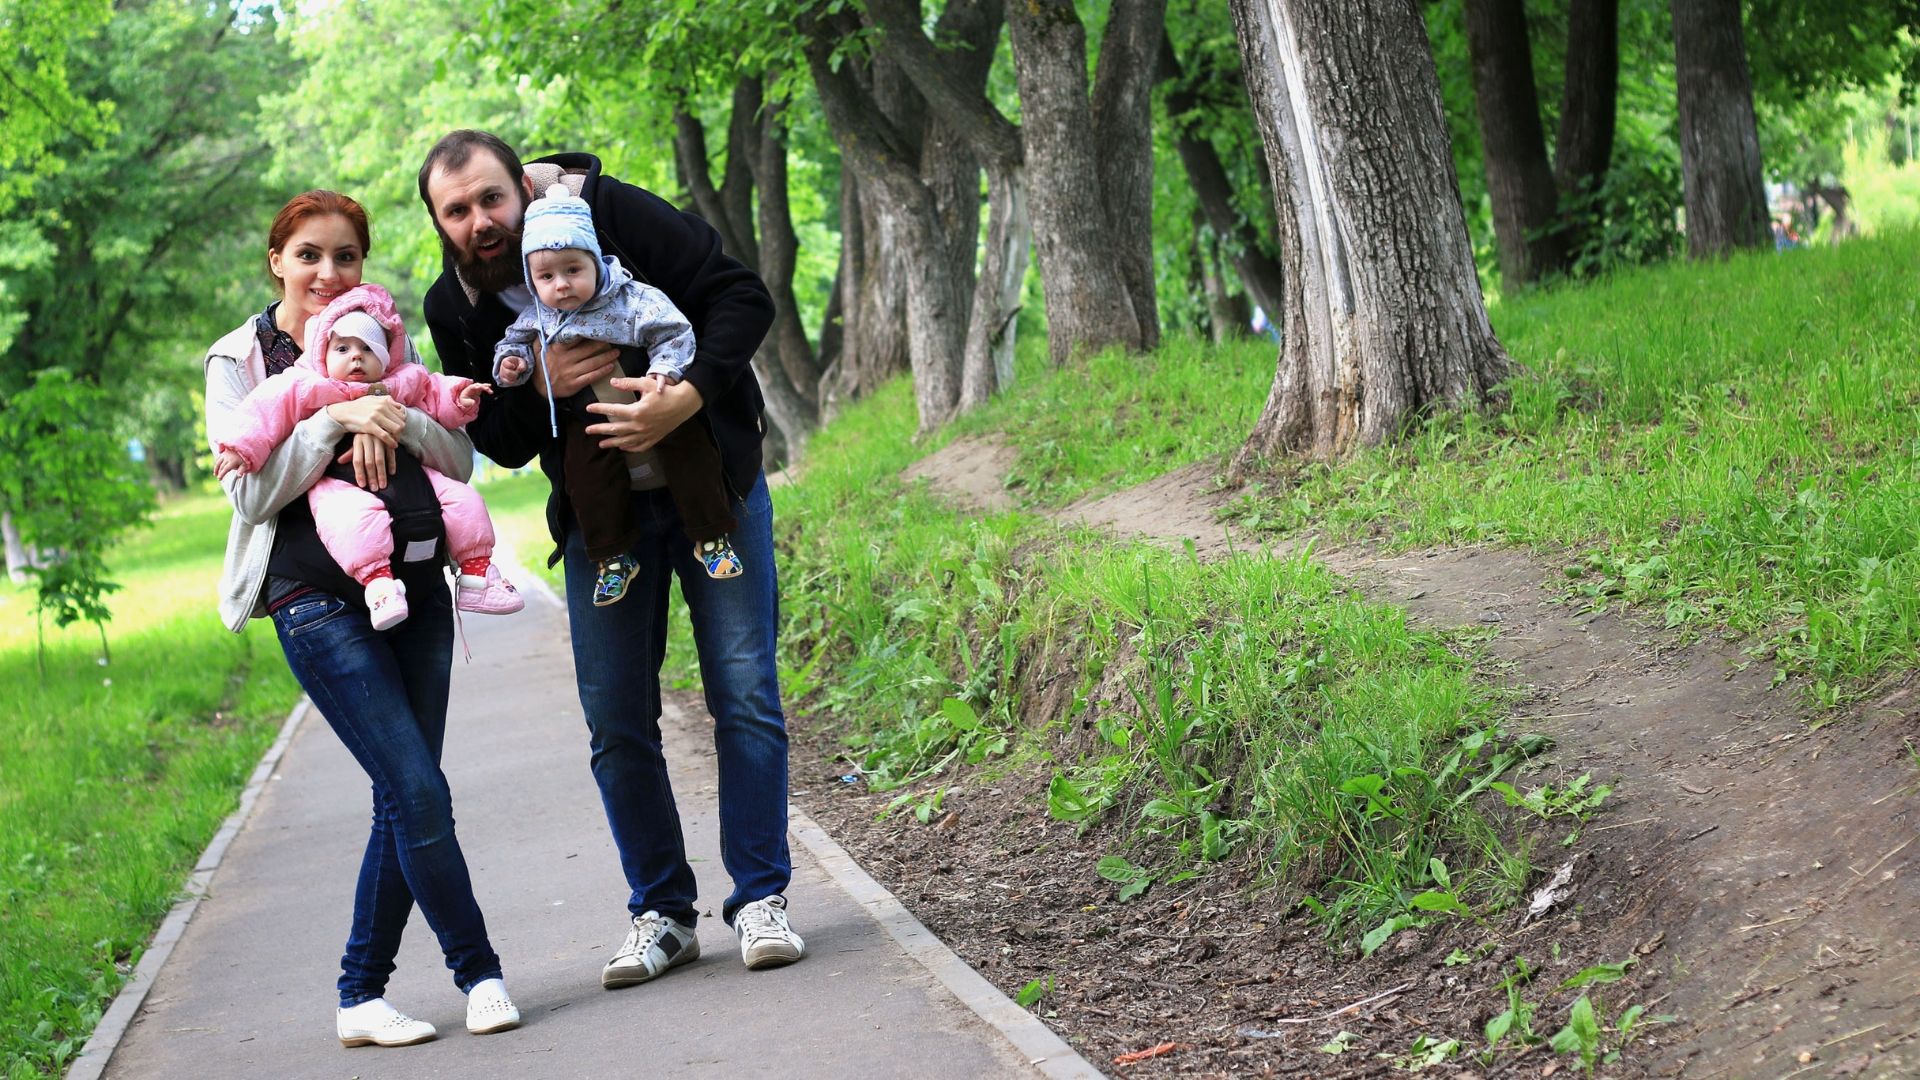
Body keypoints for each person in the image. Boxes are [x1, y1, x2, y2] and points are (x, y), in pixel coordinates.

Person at [418, 131, 805, 986]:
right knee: (616, 722)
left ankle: (762, 898)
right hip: (604, 528)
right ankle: (662, 912)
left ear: (520, 187)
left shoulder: (612, 216)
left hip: (715, 493)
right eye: (458, 211)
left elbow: (738, 295)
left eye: (490, 199)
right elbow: (500, 443)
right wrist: (540, 388)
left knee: (744, 693)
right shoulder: (456, 309)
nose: (480, 221)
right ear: (439, 223)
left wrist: (688, 394)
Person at [204, 190, 520, 1047]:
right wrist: (333, 419)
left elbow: (459, 456)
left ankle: (360, 995)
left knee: (403, 790)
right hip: (310, 597)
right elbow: (249, 489)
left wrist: (399, 416)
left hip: (411, 583)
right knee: (418, 788)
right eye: (308, 254)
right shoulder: (237, 360)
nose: (326, 272)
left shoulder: (383, 338)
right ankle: (479, 971)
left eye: (344, 256)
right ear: (278, 260)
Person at [214, 283, 524, 629]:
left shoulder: (401, 380)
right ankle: (379, 584)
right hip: (340, 482)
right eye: (343, 348)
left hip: (413, 484)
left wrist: (460, 397)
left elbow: (434, 390)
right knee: (352, 520)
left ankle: (477, 576)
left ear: (386, 357)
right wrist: (241, 448)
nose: (356, 356)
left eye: (367, 349)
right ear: (324, 352)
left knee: (464, 501)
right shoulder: (307, 384)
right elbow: (266, 411)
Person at [492, 183, 744, 607]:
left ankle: (711, 536)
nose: (562, 286)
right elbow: (511, 345)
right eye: (546, 277)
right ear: (531, 280)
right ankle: (612, 558)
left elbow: (674, 331)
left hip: (650, 398)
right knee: (587, 481)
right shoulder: (536, 315)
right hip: (587, 418)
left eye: (573, 270)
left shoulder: (632, 298)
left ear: (594, 261)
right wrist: (514, 365)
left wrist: (665, 373)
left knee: (691, 454)